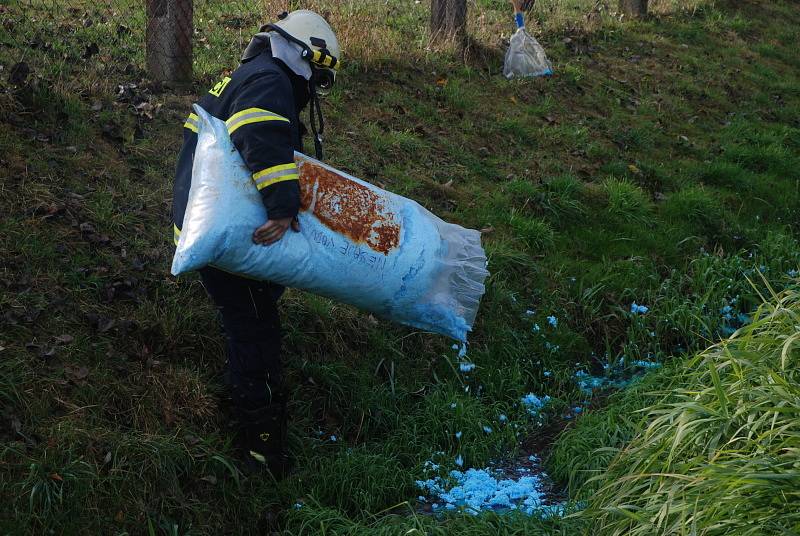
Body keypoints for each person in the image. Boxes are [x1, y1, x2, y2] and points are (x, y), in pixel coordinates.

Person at [171, 10, 341, 476]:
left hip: (209, 226)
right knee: (255, 333)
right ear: (306, 56)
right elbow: (260, 136)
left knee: (251, 320)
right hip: (230, 238)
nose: (316, 87)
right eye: (320, 75)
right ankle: (261, 452)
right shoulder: (270, 81)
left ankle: (253, 429)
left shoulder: (246, 74)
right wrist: (283, 206)